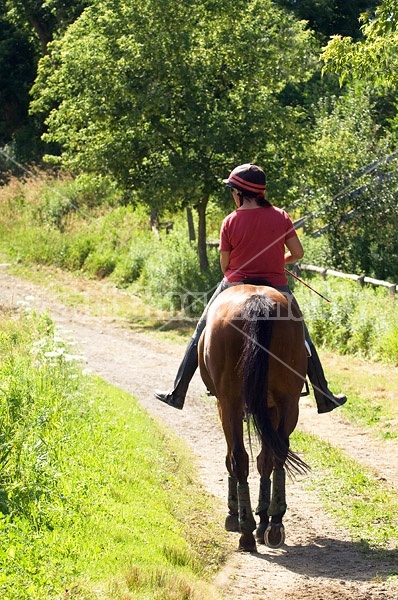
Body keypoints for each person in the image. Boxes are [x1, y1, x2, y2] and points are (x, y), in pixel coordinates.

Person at [155, 163, 346, 414]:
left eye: (232, 191)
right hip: (277, 284)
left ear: (239, 193)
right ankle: (324, 395)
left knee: (200, 331)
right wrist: (280, 261)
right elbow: (297, 253)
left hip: (235, 282)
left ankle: (177, 392)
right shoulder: (281, 216)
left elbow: (225, 265)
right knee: (303, 338)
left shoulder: (230, 221)